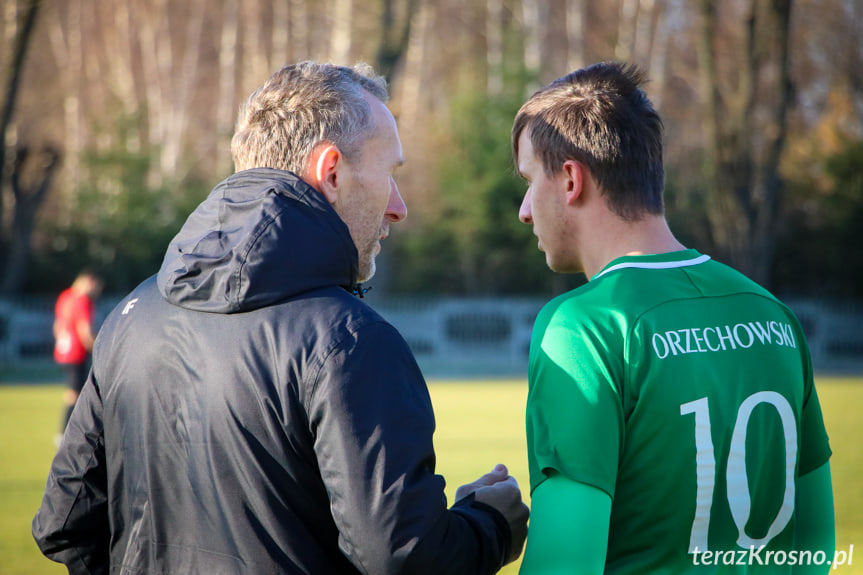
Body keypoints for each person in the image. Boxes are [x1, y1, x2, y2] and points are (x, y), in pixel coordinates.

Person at [33, 61, 528, 575]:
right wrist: (491, 524)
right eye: (391, 174)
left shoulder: (130, 315)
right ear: (332, 172)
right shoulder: (349, 340)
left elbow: (64, 521)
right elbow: (403, 557)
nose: (398, 207)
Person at [512, 62, 834, 573]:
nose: (525, 210)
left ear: (571, 179)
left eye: (530, 181)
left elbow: (564, 564)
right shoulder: (773, 315)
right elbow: (815, 546)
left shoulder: (585, 328)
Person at [53, 270, 102, 435]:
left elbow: (57, 325)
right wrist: (98, 350)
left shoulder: (65, 296)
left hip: (63, 352)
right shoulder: (83, 300)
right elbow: (85, 331)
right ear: (90, 282)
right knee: (76, 395)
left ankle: (68, 433)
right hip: (77, 353)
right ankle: (66, 433)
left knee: (74, 393)